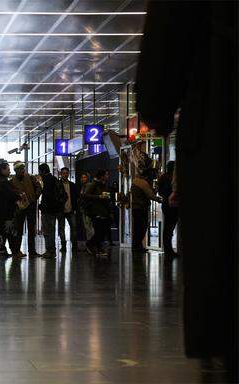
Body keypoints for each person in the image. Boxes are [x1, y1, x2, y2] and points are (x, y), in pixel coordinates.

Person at [136, 3, 237, 376]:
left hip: (220, 122)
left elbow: (167, 38)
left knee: (218, 250)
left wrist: (156, 108)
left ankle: (219, 351)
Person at [10, 161, 42, 257]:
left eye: (23, 169)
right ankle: (17, 251)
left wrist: (35, 196)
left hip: (31, 206)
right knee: (18, 229)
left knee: (31, 229)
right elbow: (11, 194)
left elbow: (39, 187)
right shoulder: (12, 181)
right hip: (20, 208)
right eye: (20, 169)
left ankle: (32, 251)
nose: (22, 171)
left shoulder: (30, 177)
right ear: (16, 170)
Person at [130, 167, 162, 252]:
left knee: (137, 228)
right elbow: (150, 195)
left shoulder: (135, 180)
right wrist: (160, 199)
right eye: (153, 175)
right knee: (142, 227)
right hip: (141, 208)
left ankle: (137, 245)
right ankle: (137, 246)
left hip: (135, 208)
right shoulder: (143, 183)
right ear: (149, 175)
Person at [82, 170, 111, 256]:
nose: (107, 176)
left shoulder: (103, 184)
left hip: (103, 211)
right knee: (99, 231)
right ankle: (91, 244)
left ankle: (98, 248)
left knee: (102, 231)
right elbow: (86, 195)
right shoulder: (93, 184)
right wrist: (99, 197)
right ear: (101, 176)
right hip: (96, 212)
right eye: (106, 175)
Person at [38, 163, 64, 257]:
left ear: (43, 171)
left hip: (47, 210)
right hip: (53, 210)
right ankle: (51, 250)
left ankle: (50, 250)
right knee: (51, 230)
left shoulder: (47, 180)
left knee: (48, 231)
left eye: (40, 171)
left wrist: (42, 206)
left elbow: (47, 196)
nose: (39, 173)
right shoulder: (54, 179)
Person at [158, 161, 178, 257]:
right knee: (170, 227)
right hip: (171, 204)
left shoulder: (162, 177)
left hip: (165, 203)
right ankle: (169, 250)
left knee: (168, 227)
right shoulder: (171, 178)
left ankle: (168, 250)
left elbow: (159, 191)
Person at [58, 167, 79, 252]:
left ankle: (74, 245)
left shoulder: (72, 185)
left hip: (71, 209)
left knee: (74, 227)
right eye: (63, 173)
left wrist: (75, 208)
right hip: (61, 210)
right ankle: (63, 245)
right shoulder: (57, 185)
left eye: (66, 173)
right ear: (61, 174)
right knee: (61, 228)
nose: (65, 174)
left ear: (68, 174)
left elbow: (76, 197)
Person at [78, 173, 94, 248]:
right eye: (82, 177)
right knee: (86, 226)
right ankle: (89, 242)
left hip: (89, 209)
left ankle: (92, 242)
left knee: (90, 226)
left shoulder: (90, 186)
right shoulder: (82, 187)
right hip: (83, 209)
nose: (83, 179)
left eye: (85, 177)